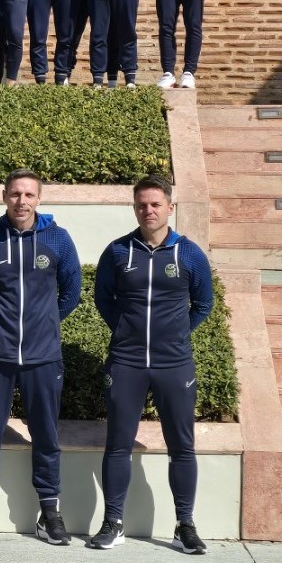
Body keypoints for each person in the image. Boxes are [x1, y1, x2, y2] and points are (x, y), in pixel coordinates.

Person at [90, 176, 213, 553]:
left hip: (174, 364)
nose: (149, 210)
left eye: (156, 204)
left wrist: (174, 335)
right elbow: (103, 299)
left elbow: (203, 304)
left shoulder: (189, 254)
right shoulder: (117, 251)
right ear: (134, 208)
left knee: (182, 446)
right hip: (126, 363)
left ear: (170, 208)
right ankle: (113, 522)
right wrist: (125, 331)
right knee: (117, 444)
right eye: (142, 204)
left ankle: (185, 524)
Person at [0, 169, 81, 545]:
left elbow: (71, 293)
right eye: (15, 194)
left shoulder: (59, 240)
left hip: (43, 357)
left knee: (46, 434)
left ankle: (50, 513)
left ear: (39, 199)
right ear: (4, 197)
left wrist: (45, 323)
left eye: (28, 195)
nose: (21, 201)